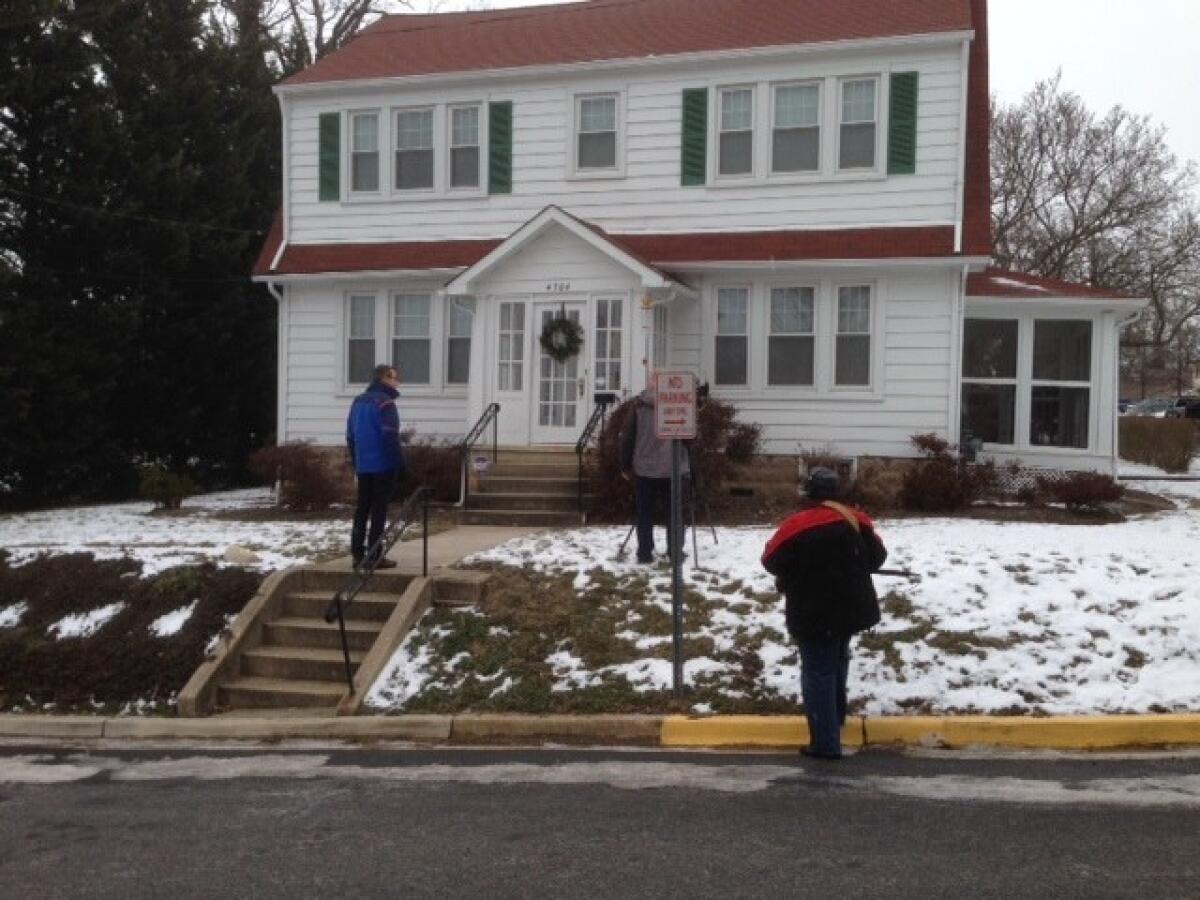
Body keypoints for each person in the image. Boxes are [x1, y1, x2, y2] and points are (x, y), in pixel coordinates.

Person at [761, 467, 887, 760]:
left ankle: (825, 742)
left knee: (818, 670)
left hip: (814, 611)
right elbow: (878, 558)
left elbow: (770, 560)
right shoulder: (855, 520)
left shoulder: (796, 526)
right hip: (852, 608)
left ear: (808, 494)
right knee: (839, 659)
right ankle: (836, 718)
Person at [619, 383, 689, 564]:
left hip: (645, 468)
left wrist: (624, 464)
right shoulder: (678, 403)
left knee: (644, 513)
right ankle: (675, 552)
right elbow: (691, 436)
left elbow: (627, 436)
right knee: (674, 513)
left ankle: (644, 553)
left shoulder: (638, 405)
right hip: (673, 468)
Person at [346, 364, 406, 569]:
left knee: (362, 508)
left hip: (364, 465)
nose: (398, 382)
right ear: (384, 379)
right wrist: (399, 463)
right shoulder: (385, 402)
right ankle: (374, 555)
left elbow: (350, 435)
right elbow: (390, 434)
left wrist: (357, 462)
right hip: (383, 464)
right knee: (379, 509)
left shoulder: (357, 401)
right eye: (394, 378)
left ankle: (357, 553)